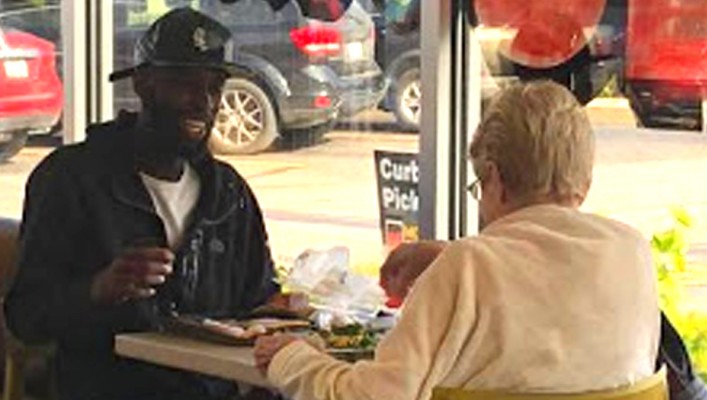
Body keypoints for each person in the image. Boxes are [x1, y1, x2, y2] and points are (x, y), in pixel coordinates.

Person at [254, 81, 661, 400]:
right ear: (584, 184)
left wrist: (292, 358)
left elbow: (372, 396)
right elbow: (553, 290)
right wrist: (451, 256)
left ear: (496, 181)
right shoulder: (632, 254)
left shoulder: (467, 269)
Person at [5, 8, 280, 400]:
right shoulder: (71, 179)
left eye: (214, 87)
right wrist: (97, 290)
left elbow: (259, 305)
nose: (204, 102)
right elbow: (26, 317)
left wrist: (289, 312)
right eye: (185, 84)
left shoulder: (229, 194)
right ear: (145, 86)